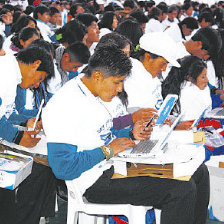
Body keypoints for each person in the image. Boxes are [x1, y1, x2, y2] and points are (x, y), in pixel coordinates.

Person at [42, 44, 209, 224]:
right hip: (94, 181)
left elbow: (102, 129)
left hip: (117, 164)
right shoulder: (64, 105)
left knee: (199, 172)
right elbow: (63, 168)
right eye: (117, 82)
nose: (120, 89)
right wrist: (107, 151)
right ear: (98, 76)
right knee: (181, 190)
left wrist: (131, 133)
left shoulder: (95, 92)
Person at [0, 45, 56, 224]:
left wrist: (26, 122)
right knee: (37, 170)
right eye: (39, 78)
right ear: (35, 64)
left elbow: (6, 115)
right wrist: (17, 137)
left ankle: (36, 217)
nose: (37, 85)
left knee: (44, 169)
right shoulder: (5, 72)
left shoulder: (13, 76)